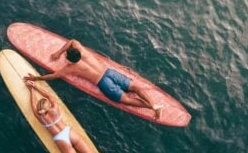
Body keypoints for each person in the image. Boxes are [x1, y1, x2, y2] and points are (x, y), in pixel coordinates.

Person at [23, 39, 164, 120]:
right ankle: (154, 105)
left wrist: (36, 77)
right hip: (110, 72)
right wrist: (60, 51)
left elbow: (52, 76)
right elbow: (72, 41)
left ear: (68, 59)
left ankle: (151, 108)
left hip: (104, 83)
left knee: (126, 99)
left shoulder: (71, 68)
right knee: (135, 88)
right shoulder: (82, 51)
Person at [24, 79, 108, 153]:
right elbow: (49, 96)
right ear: (48, 105)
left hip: (60, 139)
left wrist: (31, 91)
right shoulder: (55, 109)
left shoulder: (41, 117)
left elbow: (33, 106)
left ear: (40, 110)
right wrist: (36, 86)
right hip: (69, 132)